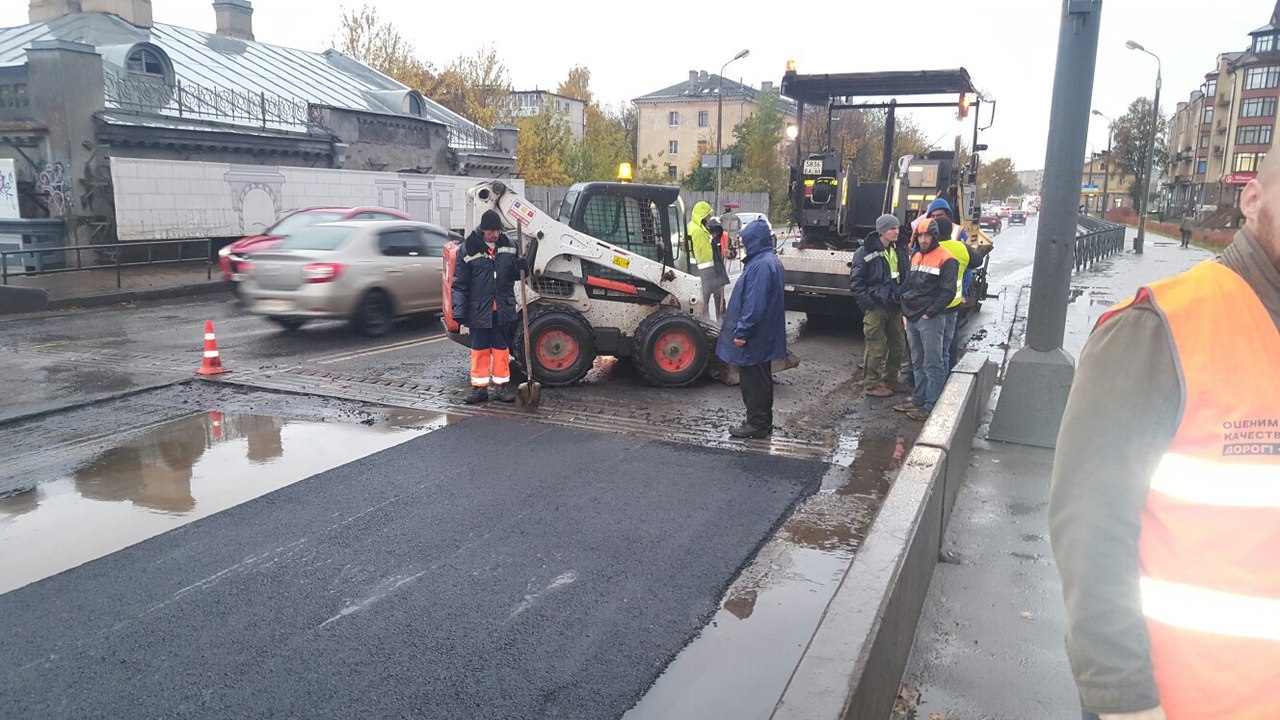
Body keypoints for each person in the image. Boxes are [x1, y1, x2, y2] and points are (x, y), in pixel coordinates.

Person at [1049, 154, 1280, 720]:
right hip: (1189, 702)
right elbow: (1091, 528)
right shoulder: (1160, 328)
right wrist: (1124, 703)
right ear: (1252, 200)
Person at [716, 219, 787, 439]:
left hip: (755, 335)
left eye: (746, 241)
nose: (744, 246)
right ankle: (761, 421)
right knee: (761, 378)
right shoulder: (767, 261)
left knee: (753, 381)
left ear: (755, 241)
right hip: (764, 334)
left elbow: (754, 303)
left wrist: (742, 331)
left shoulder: (760, 266)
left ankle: (756, 424)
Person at [451, 209, 522, 404]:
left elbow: (516, 274)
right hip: (478, 309)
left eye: (497, 231)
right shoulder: (468, 249)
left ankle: (500, 387)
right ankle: (479, 389)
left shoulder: (510, 245)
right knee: (479, 350)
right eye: (491, 231)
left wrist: (523, 266)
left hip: (502, 309)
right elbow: (460, 284)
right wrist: (459, 311)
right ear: (483, 230)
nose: (495, 235)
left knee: (501, 350)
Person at [895, 217, 958, 422]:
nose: (923, 240)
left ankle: (931, 405)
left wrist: (929, 313)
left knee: (933, 362)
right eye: (920, 235)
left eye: (927, 235)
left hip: (928, 318)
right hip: (914, 316)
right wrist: (900, 300)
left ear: (934, 236)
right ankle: (918, 399)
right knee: (918, 361)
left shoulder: (946, 258)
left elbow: (947, 292)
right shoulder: (916, 257)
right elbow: (909, 284)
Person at [850, 214, 910, 397]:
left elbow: (902, 275)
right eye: (892, 228)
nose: (896, 231)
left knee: (898, 344)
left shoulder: (898, 249)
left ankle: (890, 379)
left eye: (897, 228)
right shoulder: (866, 251)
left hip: (894, 304)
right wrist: (870, 303)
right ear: (882, 231)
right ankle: (871, 384)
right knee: (876, 346)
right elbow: (856, 282)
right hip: (877, 306)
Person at [687, 201, 718, 312]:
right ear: (702, 216)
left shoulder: (691, 226)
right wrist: (710, 273)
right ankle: (704, 322)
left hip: (692, 269)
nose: (709, 218)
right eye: (708, 215)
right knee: (703, 302)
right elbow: (703, 255)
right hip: (703, 271)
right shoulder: (699, 231)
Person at [706, 216, 730, 318]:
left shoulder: (724, 237)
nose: (714, 233)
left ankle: (721, 323)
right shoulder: (705, 237)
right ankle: (704, 322)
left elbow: (732, 251)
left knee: (720, 300)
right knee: (703, 302)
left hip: (718, 275)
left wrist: (730, 253)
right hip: (706, 276)